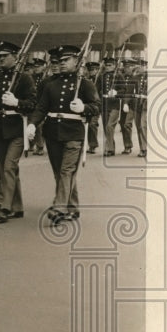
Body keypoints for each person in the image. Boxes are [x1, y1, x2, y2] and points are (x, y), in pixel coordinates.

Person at [27, 45, 100, 225]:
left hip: (74, 133)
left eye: (66, 60)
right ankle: (73, 207)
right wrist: (32, 124)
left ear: (76, 61)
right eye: (60, 61)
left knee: (66, 171)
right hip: (53, 133)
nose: (62, 63)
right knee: (59, 173)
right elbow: (42, 108)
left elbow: (97, 106)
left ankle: (59, 208)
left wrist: (84, 108)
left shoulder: (84, 84)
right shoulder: (51, 85)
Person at [0, 41, 37, 223]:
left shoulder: (25, 79)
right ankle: (17, 207)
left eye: (5, 56)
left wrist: (17, 103)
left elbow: (32, 104)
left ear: (15, 57)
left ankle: (5, 207)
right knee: (6, 167)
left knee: (8, 167)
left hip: (16, 129)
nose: (0, 59)